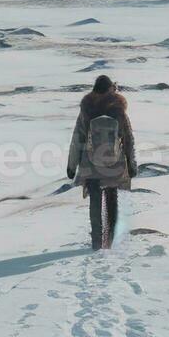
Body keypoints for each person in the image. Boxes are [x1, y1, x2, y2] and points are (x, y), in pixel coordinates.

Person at [66, 74, 137, 250]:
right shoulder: (119, 109)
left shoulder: (87, 108)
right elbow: (128, 138)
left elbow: (78, 138)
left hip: (90, 163)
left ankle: (97, 242)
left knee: (95, 202)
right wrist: (132, 164)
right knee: (112, 200)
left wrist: (71, 166)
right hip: (114, 163)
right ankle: (110, 240)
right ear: (111, 88)